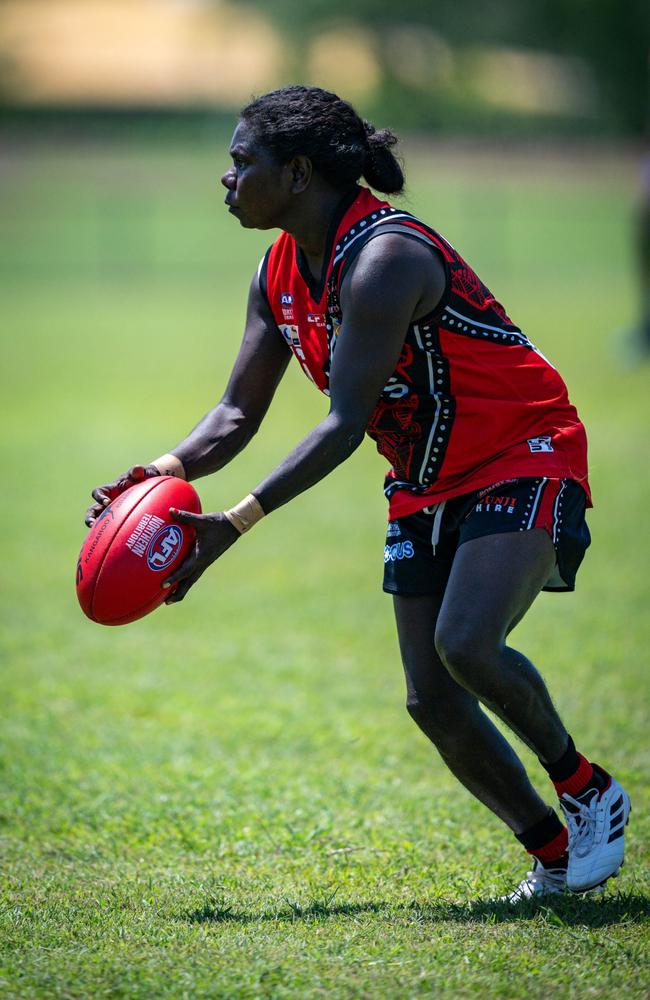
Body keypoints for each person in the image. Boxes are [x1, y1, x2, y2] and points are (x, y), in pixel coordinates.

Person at [86, 85, 631, 901]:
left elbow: (343, 425)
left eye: (243, 162)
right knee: (433, 700)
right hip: (421, 476)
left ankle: (590, 791)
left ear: (298, 173)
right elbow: (236, 413)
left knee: (467, 642)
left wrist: (232, 523)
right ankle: (554, 854)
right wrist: (161, 471)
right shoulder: (275, 273)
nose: (226, 177)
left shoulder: (386, 259)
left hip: (524, 449)